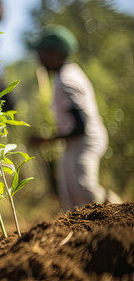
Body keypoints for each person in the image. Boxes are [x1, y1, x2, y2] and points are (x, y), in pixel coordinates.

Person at [29, 25, 121, 211]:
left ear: (57, 53)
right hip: (74, 142)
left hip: (84, 140)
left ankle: (122, 213)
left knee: (84, 190)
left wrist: (48, 140)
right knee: (70, 198)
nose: (39, 58)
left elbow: (81, 125)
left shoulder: (67, 79)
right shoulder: (65, 75)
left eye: (42, 53)